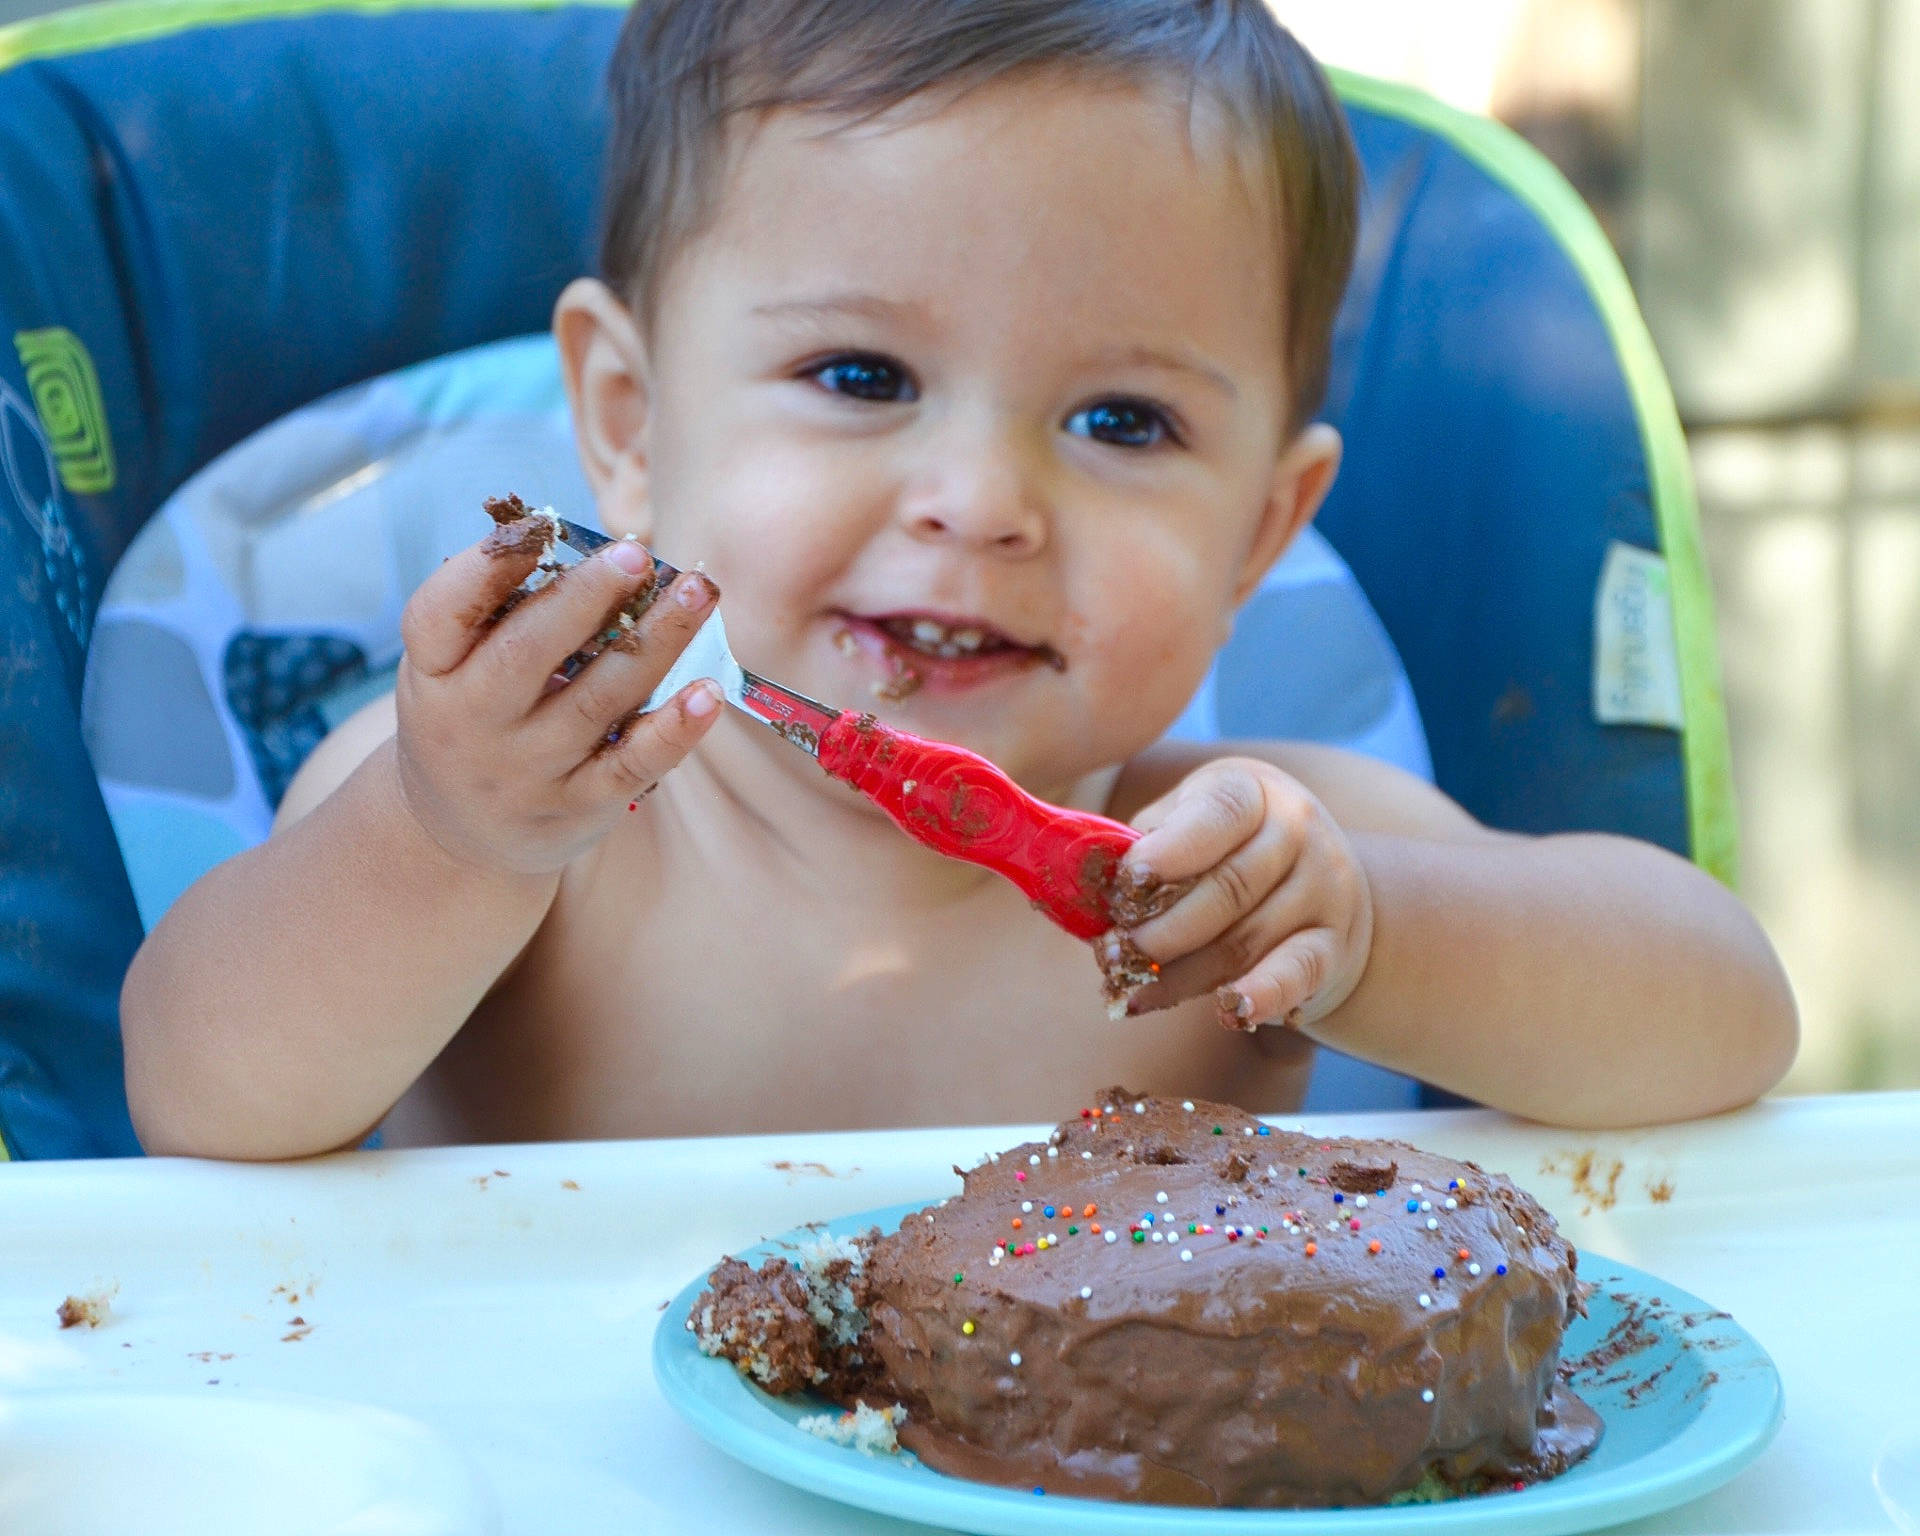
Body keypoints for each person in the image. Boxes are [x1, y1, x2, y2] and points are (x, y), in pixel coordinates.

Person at [120, 0, 1796, 1158]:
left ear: (1260, 536)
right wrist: (441, 834)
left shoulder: (1233, 865)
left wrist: (1375, 932)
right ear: (626, 424)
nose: (984, 502)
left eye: (1122, 420)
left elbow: (1729, 1022)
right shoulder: (534, 839)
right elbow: (198, 1093)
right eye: (861, 378)